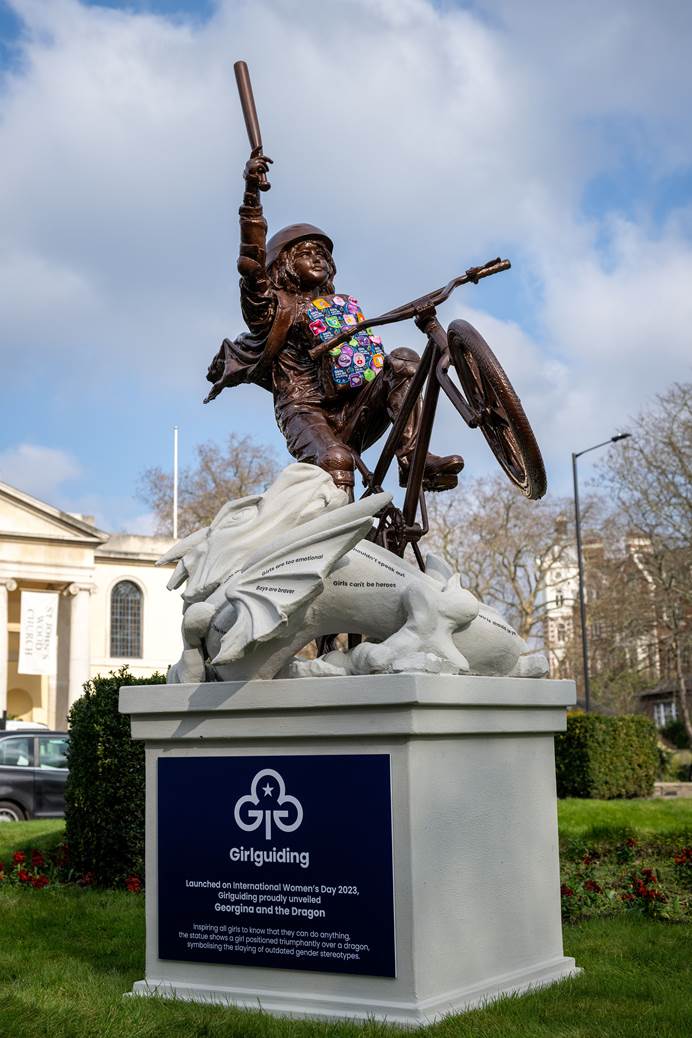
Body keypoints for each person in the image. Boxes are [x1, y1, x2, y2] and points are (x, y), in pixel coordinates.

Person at [205, 152, 464, 493]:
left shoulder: (338, 307)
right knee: (336, 459)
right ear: (283, 264)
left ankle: (413, 458)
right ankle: (339, 536)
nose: (318, 259)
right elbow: (251, 263)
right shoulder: (271, 307)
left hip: (354, 406)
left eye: (322, 255)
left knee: (403, 361)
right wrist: (251, 194)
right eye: (306, 253)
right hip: (304, 410)